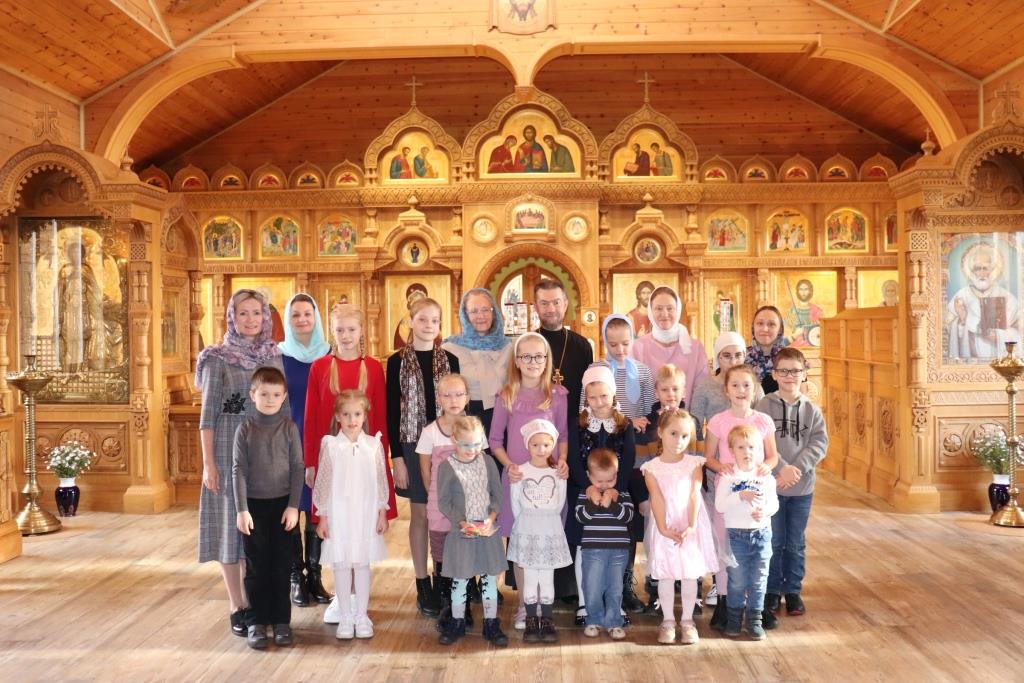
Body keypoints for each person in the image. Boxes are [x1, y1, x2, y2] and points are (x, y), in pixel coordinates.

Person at [196, 289, 286, 638]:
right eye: (243, 313)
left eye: (257, 313)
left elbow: (284, 409)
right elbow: (207, 417)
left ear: (265, 317)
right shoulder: (216, 358)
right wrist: (209, 464)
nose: (251, 320)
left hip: (265, 452)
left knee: (258, 530)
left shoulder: (273, 355)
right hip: (225, 449)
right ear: (232, 317)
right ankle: (238, 605)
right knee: (229, 528)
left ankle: (257, 603)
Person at [304, 304, 396, 623]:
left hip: (364, 464)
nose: (345, 336)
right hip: (332, 462)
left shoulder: (373, 367)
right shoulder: (319, 367)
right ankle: (341, 598)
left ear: (361, 331)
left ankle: (358, 599)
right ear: (332, 331)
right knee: (337, 529)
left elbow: (380, 417)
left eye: (351, 329)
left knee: (361, 528)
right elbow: (311, 417)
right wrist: (310, 462)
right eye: (340, 330)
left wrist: (384, 461)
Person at [489, 332, 570, 629]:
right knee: (522, 543)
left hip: (549, 482)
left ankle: (543, 604)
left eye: (539, 356)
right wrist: (510, 466)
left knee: (544, 539)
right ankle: (525, 605)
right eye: (526, 356)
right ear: (517, 361)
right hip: (519, 480)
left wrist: (562, 461)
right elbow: (495, 440)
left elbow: (563, 435)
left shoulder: (557, 395)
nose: (533, 362)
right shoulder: (506, 395)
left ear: (547, 360)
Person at [386, 296, 459, 616]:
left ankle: (444, 576)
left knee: (446, 514)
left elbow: (459, 407)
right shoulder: (397, 362)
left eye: (435, 320)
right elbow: (392, 410)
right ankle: (421, 582)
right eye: (423, 319)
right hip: (412, 445)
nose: (429, 325)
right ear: (410, 322)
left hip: (447, 445)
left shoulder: (451, 360)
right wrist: (397, 458)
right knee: (420, 515)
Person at [756, 348, 828, 627]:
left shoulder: (812, 410)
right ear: (774, 374)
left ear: (804, 374)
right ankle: (772, 590)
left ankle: (793, 591)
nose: (789, 376)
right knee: (774, 540)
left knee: (795, 542)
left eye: (795, 371)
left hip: (801, 487)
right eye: (783, 371)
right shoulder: (764, 406)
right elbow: (759, 441)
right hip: (773, 485)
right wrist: (781, 469)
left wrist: (796, 469)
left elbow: (819, 443)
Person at [703, 364, 779, 631]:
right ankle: (725, 602)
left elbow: (772, 455)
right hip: (728, 492)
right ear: (726, 390)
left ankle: (755, 605)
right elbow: (709, 457)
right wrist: (719, 467)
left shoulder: (763, 421)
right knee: (726, 547)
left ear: (755, 388)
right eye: (734, 385)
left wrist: (766, 466)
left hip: (756, 491)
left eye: (746, 385)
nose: (741, 390)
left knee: (757, 549)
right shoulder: (718, 421)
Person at [232, 367, 304, 649]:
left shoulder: (289, 428)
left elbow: (297, 468)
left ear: (284, 396)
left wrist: (293, 506)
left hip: (283, 507)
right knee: (256, 566)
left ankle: (281, 621)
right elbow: (238, 470)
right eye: (264, 394)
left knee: (281, 565)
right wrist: (242, 509)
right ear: (253, 395)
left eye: (276, 394)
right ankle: (257, 621)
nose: (270, 399)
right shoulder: (245, 429)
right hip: (253, 508)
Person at [313, 390, 390, 640]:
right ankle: (345, 615)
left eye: (357, 414)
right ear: (338, 416)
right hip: (340, 513)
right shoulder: (331, 445)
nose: (352, 419)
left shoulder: (373, 445)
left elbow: (381, 480)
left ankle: (361, 615)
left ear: (364, 415)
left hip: (365, 512)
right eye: (346, 414)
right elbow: (323, 483)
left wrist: (382, 512)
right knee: (342, 563)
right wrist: (323, 516)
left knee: (362, 563)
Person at [565, 366, 636, 625]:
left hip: (616, 491)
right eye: (592, 397)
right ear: (586, 397)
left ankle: (614, 603)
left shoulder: (624, 424)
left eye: (604, 396)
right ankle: (585, 603)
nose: (599, 402)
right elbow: (574, 459)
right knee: (584, 546)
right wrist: (588, 486)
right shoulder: (578, 423)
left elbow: (628, 459)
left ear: (613, 394)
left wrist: (617, 488)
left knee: (615, 548)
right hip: (584, 491)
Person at [642, 409, 718, 645]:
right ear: (660, 432)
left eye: (685, 436)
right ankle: (667, 621)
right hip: (664, 523)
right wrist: (663, 528)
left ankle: (687, 621)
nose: (679, 441)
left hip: (689, 523)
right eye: (673, 433)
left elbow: (695, 493)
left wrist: (692, 525)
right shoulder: (651, 468)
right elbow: (656, 498)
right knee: (666, 573)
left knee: (689, 574)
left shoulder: (694, 463)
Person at [277, 293, 331, 607]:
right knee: (291, 508)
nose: (302, 320)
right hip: (287, 441)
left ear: (316, 317)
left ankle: (315, 575)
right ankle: (296, 577)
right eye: (295, 315)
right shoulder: (279, 356)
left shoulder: (328, 353)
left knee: (316, 508)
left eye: (307, 314)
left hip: (322, 442)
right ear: (288, 320)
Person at [437, 416, 510, 647]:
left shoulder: (487, 462)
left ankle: (491, 623)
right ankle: (457, 622)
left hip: (486, 532)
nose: (472, 450)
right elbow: (444, 501)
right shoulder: (447, 466)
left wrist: (491, 517)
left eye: (477, 444)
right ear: (454, 440)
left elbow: (497, 493)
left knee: (489, 579)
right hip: (462, 533)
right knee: (460, 579)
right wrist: (461, 522)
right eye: (466, 445)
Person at [508, 419, 572, 643]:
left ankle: (546, 619)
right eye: (535, 445)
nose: (541, 449)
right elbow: (515, 504)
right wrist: (527, 522)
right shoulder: (520, 471)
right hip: (527, 528)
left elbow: (560, 502)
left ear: (552, 445)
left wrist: (547, 518)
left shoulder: (558, 473)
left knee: (546, 576)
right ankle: (530, 621)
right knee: (529, 576)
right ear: (528, 445)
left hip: (549, 528)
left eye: (546, 445)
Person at [714, 424, 779, 640]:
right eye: (741, 447)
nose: (747, 452)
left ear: (759, 449)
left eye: (751, 447)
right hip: (737, 536)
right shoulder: (728, 476)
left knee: (759, 581)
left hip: (762, 534)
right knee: (737, 581)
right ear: (732, 450)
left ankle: (754, 620)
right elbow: (720, 506)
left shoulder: (765, 476)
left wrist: (765, 512)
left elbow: (774, 504)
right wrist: (740, 495)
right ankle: (734, 620)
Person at [418, 373, 473, 627]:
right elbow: (426, 471)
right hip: (439, 508)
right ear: (439, 398)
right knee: (441, 554)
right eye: (447, 395)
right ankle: (448, 605)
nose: (453, 400)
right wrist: (438, 499)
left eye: (459, 394)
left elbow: (479, 466)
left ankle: (465, 605)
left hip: (467, 507)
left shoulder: (474, 430)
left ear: (467, 398)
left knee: (466, 553)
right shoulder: (430, 432)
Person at [637, 363, 687, 615]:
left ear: (683, 391)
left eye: (675, 389)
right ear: (656, 392)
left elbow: (697, 459)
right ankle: (656, 591)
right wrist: (642, 497)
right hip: (655, 496)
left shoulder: (689, 422)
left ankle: (687, 590)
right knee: (655, 544)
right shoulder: (646, 425)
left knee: (684, 541)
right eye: (665, 389)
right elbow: (640, 463)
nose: (670, 394)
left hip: (682, 497)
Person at [575, 448, 635, 641]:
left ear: (616, 475)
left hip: (619, 550)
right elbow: (580, 517)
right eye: (599, 481)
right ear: (589, 476)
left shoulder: (622, 494)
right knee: (592, 586)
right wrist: (593, 503)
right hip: (593, 550)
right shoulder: (586, 494)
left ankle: (614, 621)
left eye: (609, 480)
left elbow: (628, 516)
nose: (604, 485)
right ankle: (593, 619)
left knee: (615, 587)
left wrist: (613, 504)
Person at [442, 288, 513, 440]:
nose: (481, 316)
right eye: (474, 311)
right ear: (465, 315)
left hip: (503, 417)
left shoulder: (509, 346)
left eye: (485, 309)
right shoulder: (450, 348)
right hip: (466, 419)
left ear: (494, 312)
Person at [630, 285, 708, 408]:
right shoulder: (638, 347)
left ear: (678, 310)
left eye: (670, 308)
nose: (665, 314)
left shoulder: (695, 348)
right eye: (659, 308)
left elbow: (702, 391)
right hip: (649, 419)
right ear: (650, 311)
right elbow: (633, 392)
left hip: (687, 418)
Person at [946, 242, 1021, 359]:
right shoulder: (962, 296)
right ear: (971, 271)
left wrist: (998, 335)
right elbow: (948, 329)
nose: (981, 273)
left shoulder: (1006, 297)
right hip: (969, 359)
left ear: (992, 270)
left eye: (985, 268)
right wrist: (961, 321)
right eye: (977, 268)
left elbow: (1018, 329)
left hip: (999, 357)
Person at [690, 332, 765, 441]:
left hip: (748, 447)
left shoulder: (755, 387)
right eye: (727, 356)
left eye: (738, 355)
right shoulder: (704, 387)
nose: (733, 362)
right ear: (718, 357)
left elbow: (763, 425)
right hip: (715, 448)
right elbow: (694, 427)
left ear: (744, 356)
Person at [534, 279, 593, 417]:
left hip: (575, 422)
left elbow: (589, 390)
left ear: (565, 305)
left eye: (556, 302)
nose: (551, 309)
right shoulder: (526, 345)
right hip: (536, 421)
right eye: (544, 303)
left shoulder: (582, 346)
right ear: (536, 307)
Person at [57, 239, 103, 372]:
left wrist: (83, 276)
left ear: (82, 254)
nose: (75, 255)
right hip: (68, 309)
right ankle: (67, 372)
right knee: (68, 340)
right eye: (73, 252)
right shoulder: (64, 270)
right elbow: (59, 291)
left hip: (82, 308)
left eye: (78, 252)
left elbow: (95, 288)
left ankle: (80, 371)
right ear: (69, 254)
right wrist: (59, 312)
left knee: (82, 339)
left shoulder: (86, 269)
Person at [746, 305, 789, 395]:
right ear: (753, 327)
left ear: (780, 329)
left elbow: (800, 396)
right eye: (760, 323)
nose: (765, 329)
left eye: (771, 324)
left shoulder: (791, 358)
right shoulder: (740, 357)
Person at [787, 279, 824, 348]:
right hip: (795, 347)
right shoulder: (792, 311)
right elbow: (787, 331)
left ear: (810, 291)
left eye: (806, 289)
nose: (803, 292)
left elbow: (822, 332)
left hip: (813, 346)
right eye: (801, 289)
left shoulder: (817, 311)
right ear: (797, 291)